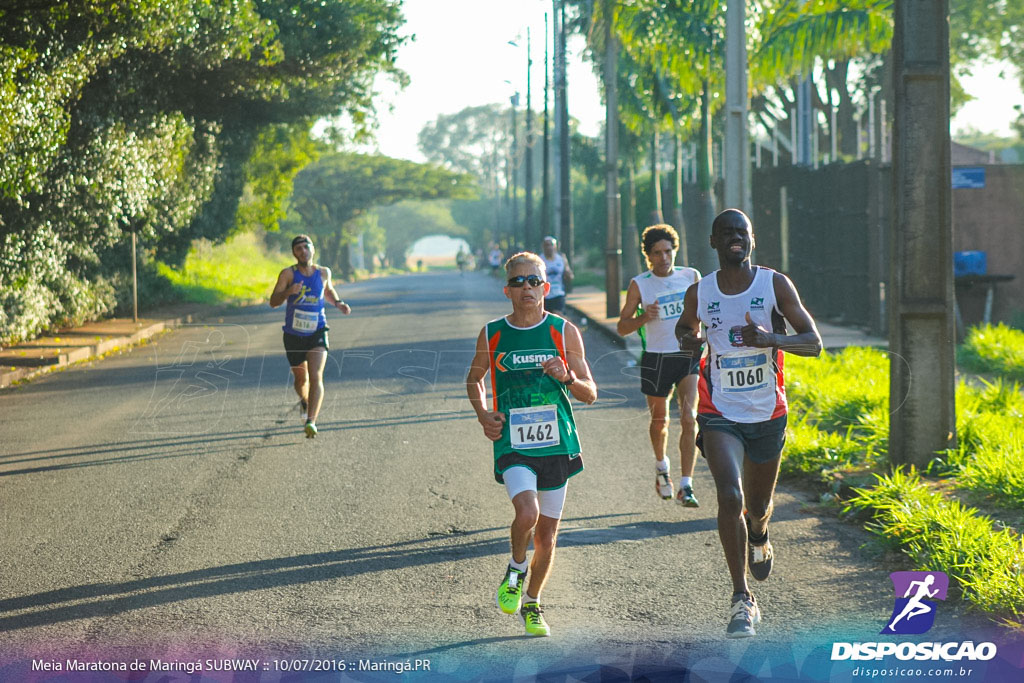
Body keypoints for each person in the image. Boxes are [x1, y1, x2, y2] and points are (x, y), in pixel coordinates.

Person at [674, 209, 821, 638]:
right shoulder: (699, 291)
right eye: (727, 233)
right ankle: (742, 599)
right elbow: (686, 330)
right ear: (713, 242)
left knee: (755, 505)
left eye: (742, 232)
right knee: (729, 494)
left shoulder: (773, 284)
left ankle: (759, 531)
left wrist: (771, 339)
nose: (736, 238)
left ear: (752, 240)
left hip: (767, 412)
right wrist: (692, 338)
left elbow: (813, 343)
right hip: (719, 409)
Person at [466, 252, 597, 637]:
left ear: (547, 287)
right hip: (513, 440)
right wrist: (483, 412)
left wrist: (568, 377)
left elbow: (590, 393)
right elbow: (474, 378)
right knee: (527, 515)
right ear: (507, 289)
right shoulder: (493, 333)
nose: (527, 287)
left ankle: (533, 603)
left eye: (534, 281)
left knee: (547, 536)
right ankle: (516, 567)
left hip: (557, 443)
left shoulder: (563, 331)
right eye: (519, 281)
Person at [616, 224, 701, 506]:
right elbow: (621, 327)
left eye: (668, 251)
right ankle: (662, 468)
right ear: (648, 256)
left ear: (674, 250)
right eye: (657, 253)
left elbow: (703, 312)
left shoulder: (691, 276)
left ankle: (686, 485)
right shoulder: (640, 284)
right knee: (659, 421)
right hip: (655, 358)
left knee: (689, 418)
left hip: (686, 355)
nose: (664, 257)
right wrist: (644, 317)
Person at [270, 234, 352, 438]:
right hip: (293, 335)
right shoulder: (288, 274)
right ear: (294, 253)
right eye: (298, 249)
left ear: (313, 249)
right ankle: (304, 400)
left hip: (317, 330)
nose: (303, 251)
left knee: (316, 375)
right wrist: (288, 291)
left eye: (306, 247)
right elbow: (273, 301)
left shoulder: (323, 273)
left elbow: (328, 291)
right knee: (300, 378)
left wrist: (339, 303)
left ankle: (311, 421)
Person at [540, 236, 574, 314]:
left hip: (558, 293)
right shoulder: (539, 260)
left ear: (555, 246)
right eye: (546, 245)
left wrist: (567, 273)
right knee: (546, 319)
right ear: (543, 247)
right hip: (544, 295)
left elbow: (570, 276)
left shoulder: (561, 259)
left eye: (551, 245)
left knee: (557, 315)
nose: (549, 247)